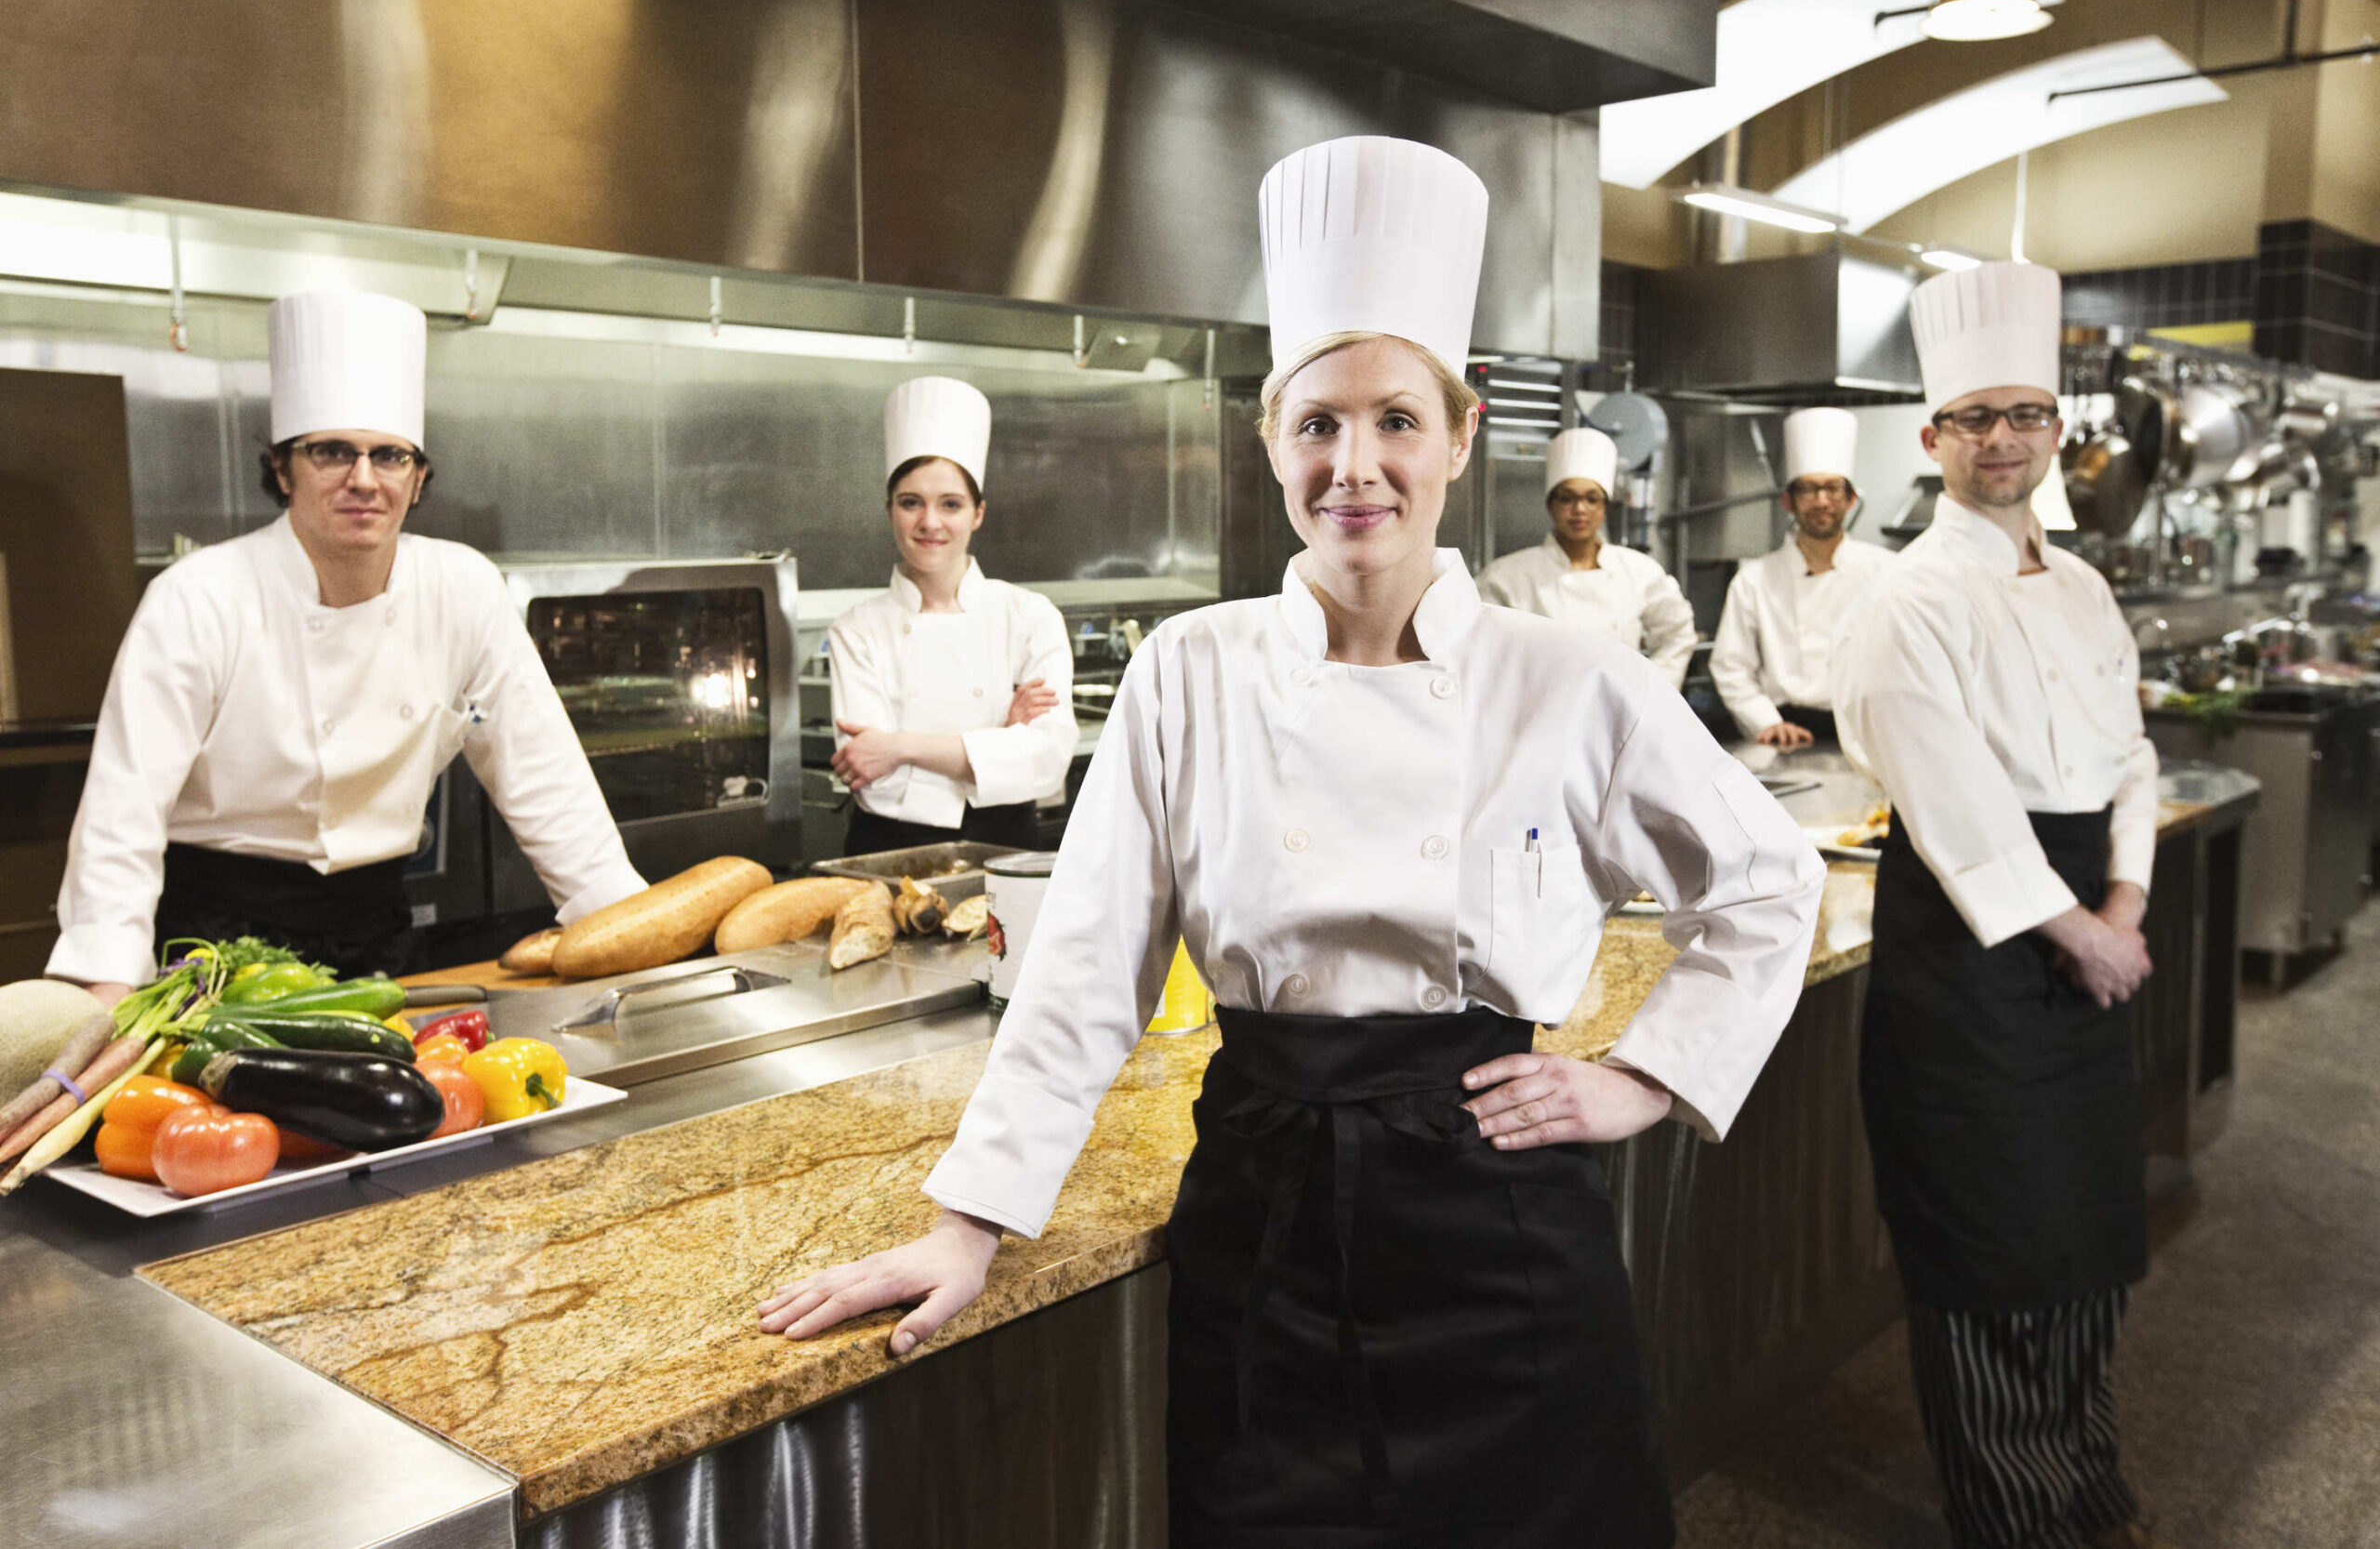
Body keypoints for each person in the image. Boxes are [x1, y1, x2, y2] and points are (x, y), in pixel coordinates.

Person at [761, 135, 1826, 1548]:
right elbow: (1083, 968)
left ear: (1459, 432)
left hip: (1499, 1226)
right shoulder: (1187, 671)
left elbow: (1768, 880)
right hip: (1262, 1211)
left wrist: (1643, 1075)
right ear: (1270, 439)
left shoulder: (1567, 677)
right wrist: (972, 1218)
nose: (1356, 465)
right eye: (1319, 422)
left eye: (1396, 420)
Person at [1832, 260, 2170, 1549]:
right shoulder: (1905, 599)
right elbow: (1952, 799)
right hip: (1973, 963)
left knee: (2086, 1243)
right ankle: (2019, 1520)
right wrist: (2079, 927)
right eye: (1976, 418)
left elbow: (2128, 758)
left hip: (2090, 935)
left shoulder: (2086, 587)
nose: (2004, 439)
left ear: (2058, 430)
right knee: (1989, 1259)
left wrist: (2126, 902)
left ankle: (2090, 1493)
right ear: (1934, 438)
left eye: (2026, 414)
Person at [47, 288, 643, 1001]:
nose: (364, 479)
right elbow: (124, 812)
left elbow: (546, 778)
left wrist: (627, 930)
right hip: (210, 946)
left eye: (389, 455)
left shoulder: (463, 587)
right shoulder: (199, 596)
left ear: (418, 476)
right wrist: (110, 985)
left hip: (378, 937)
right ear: (282, 468)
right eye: (332, 451)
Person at [826, 376, 1076, 856]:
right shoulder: (856, 629)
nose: (930, 523)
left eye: (951, 504)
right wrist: (999, 740)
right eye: (911, 502)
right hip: (887, 851)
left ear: (978, 513)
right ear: (890, 509)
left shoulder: (1028, 616)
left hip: (1006, 845)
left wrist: (900, 747)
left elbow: (1046, 761)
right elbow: (872, 778)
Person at [1709, 406, 1894, 748]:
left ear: (1850, 499)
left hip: (1866, 731)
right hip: (1784, 734)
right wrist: (1767, 722)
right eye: (1808, 489)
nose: (1821, 501)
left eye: (1832, 489)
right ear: (1788, 502)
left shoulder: (1886, 572)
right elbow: (1731, 667)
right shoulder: (1754, 580)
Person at [1475, 425, 1697, 687]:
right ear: (1550, 505)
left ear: (1605, 507)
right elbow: (1481, 650)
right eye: (1567, 498)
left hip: (1620, 712)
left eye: (1592, 499)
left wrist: (1652, 693)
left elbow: (1678, 633)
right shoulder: (1506, 576)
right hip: (1542, 711)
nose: (1580, 510)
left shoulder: (1638, 570)